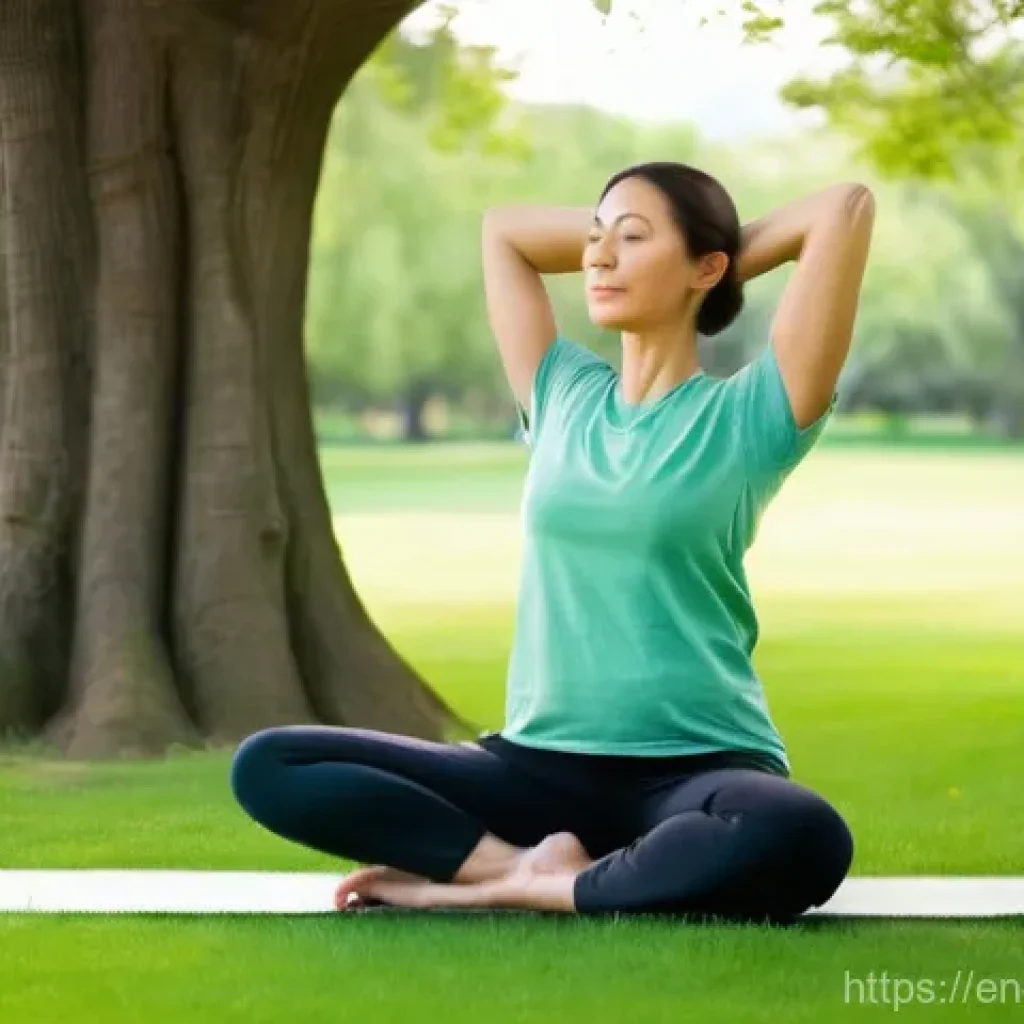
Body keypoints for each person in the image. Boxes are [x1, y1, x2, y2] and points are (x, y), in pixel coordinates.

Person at [231, 161, 875, 923]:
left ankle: (523, 888)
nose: (598, 258)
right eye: (594, 239)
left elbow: (845, 207)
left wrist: (718, 258)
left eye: (631, 240)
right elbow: (503, 232)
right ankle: (526, 864)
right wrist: (645, 245)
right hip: (534, 771)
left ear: (708, 265)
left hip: (696, 772)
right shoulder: (562, 392)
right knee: (272, 764)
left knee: (800, 833)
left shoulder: (753, 416)